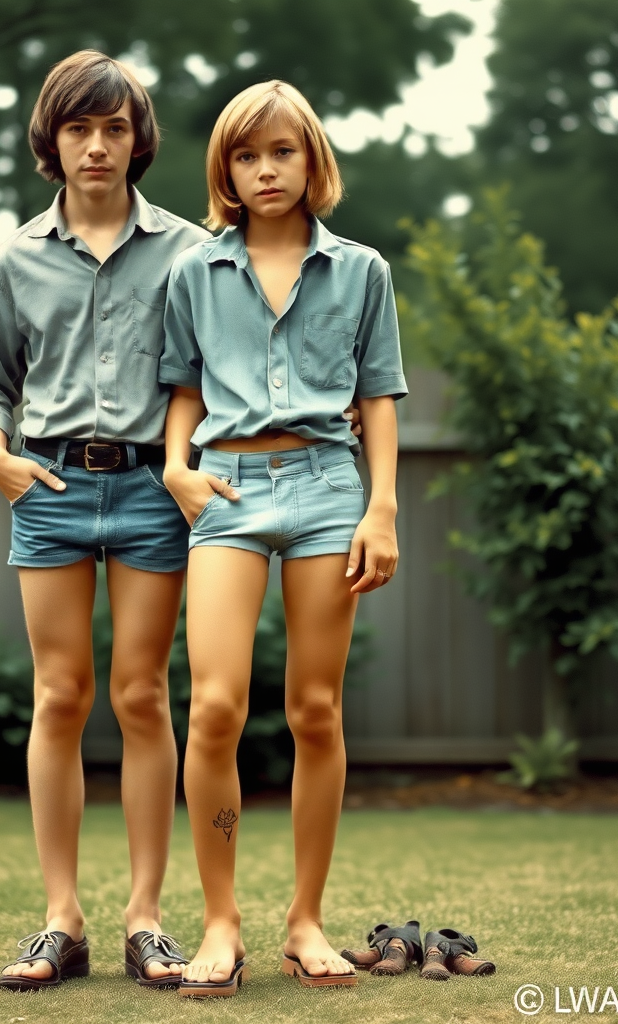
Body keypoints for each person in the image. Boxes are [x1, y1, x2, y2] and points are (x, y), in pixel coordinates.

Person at [0, 50, 210, 991]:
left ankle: (146, 919)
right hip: (50, 490)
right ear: (52, 142)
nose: (96, 145)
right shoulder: (11, 260)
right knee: (60, 696)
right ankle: (61, 921)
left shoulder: (191, 251)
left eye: (113, 128)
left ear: (137, 140)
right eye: (78, 128)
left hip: (154, 492)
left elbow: (214, 371)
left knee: (141, 695)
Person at [159, 80, 406, 997]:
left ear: (313, 162)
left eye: (283, 152)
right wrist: (177, 465)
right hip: (223, 489)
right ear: (226, 169)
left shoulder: (364, 271)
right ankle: (221, 923)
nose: (266, 170)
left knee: (315, 709)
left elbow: (377, 396)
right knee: (214, 708)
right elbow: (182, 385)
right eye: (246, 155)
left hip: (326, 488)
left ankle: (306, 920)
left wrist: (380, 509)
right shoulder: (195, 271)